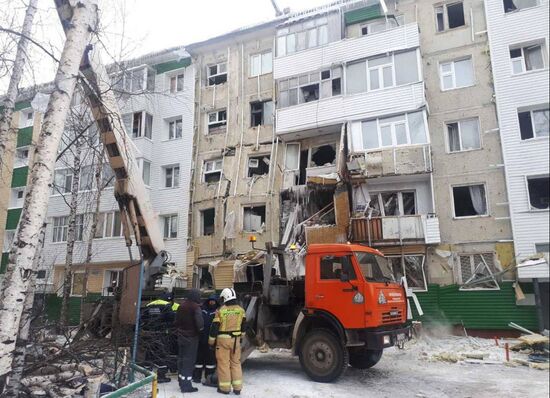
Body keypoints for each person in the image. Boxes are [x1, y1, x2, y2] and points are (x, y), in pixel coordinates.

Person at [208, 288, 246, 395]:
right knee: (236, 363)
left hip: (223, 341)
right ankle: (237, 388)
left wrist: (211, 342)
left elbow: (214, 328)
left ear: (225, 297)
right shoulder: (241, 310)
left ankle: (224, 388)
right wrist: (241, 338)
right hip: (236, 341)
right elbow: (244, 326)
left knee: (224, 364)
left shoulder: (221, 311)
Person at [174, 289, 203, 393]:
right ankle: (186, 386)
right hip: (191, 338)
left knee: (181, 359)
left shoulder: (181, 306)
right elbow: (200, 324)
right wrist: (201, 331)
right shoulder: (195, 307)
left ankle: (181, 381)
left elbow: (176, 322)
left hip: (181, 336)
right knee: (189, 361)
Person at [193, 294, 219, 384]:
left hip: (212, 340)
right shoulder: (202, 309)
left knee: (210, 361)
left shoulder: (218, 311)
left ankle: (209, 378)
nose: (212, 302)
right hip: (201, 338)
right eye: (210, 300)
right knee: (198, 360)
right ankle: (196, 377)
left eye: (214, 301)